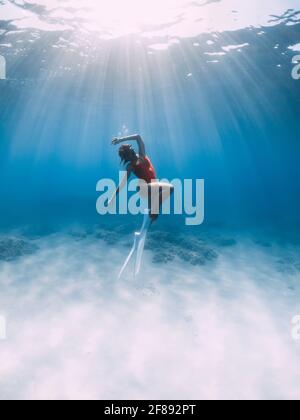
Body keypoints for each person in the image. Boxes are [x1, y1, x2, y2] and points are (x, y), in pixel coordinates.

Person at [110, 134, 174, 222]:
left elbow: (138, 137)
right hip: (144, 188)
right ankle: (153, 210)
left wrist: (120, 139)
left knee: (153, 216)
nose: (132, 151)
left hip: (152, 186)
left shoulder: (142, 154)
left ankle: (145, 227)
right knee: (170, 188)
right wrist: (112, 197)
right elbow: (123, 183)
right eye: (129, 152)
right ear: (127, 157)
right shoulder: (130, 166)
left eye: (131, 149)